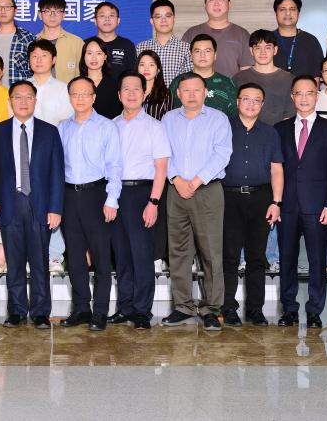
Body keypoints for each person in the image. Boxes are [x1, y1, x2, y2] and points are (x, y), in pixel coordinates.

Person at [160, 73, 233, 330]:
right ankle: (183, 306)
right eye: (186, 90)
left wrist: (197, 181)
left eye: (196, 90)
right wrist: (176, 178)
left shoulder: (218, 119)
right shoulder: (168, 119)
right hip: (176, 190)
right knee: (178, 251)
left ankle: (211, 308)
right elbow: (163, 153)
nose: (191, 95)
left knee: (211, 252)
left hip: (208, 190)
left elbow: (222, 153)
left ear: (205, 93)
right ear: (178, 93)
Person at [275, 76, 327, 329]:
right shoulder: (280, 129)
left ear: (317, 95)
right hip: (288, 206)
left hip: (318, 207)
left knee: (317, 261)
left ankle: (315, 310)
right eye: (299, 93)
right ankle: (289, 309)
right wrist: (276, 203)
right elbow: (275, 169)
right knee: (287, 259)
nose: (304, 98)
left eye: (309, 93)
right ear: (292, 97)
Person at [57, 76, 123, 331]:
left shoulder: (107, 126)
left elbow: (115, 166)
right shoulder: (62, 128)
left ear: (94, 97)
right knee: (74, 257)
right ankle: (81, 309)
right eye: (75, 94)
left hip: (97, 195)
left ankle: (100, 312)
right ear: (69, 98)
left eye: (85, 94)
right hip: (69, 196)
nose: (80, 98)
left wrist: (112, 200)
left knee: (101, 257)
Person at [0, 81, 64, 329]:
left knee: (39, 262)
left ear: (36, 101)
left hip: (40, 205)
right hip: (10, 203)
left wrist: (55, 208)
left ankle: (40, 312)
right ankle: (16, 311)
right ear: (10, 101)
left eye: (28, 97)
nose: (23, 101)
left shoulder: (49, 132)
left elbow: (57, 172)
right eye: (18, 97)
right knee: (14, 262)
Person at [221, 82, 284, 326]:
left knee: (257, 257)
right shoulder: (223, 128)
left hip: (261, 199)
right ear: (237, 101)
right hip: (229, 198)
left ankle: (255, 310)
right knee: (229, 256)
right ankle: (228, 307)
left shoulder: (270, 133)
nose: (251, 104)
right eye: (246, 99)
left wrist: (276, 202)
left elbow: (276, 170)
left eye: (256, 100)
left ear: (262, 104)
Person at [112, 74, 170, 330]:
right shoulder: (110, 125)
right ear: (119, 95)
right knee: (121, 255)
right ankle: (124, 307)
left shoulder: (155, 127)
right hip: (115, 194)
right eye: (126, 89)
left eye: (137, 89)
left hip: (143, 194)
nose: (131, 93)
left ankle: (142, 310)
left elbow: (161, 168)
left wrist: (153, 202)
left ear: (144, 94)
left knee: (142, 255)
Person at [182, 0, 252, 77]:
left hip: (231, 86)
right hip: (197, 86)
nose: (216, 4)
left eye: (221, 0)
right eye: (211, 0)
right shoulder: (191, 34)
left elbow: (246, 73)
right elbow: (183, 69)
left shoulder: (242, 34)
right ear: (205, 5)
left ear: (229, 4)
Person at [231, 30, 294, 124]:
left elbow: (290, 115)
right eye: (258, 48)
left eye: (268, 48)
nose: (263, 52)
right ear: (251, 51)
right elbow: (233, 111)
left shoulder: (289, 79)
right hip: (245, 131)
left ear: (275, 50)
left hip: (279, 131)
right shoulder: (239, 78)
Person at [169, 34, 238, 117]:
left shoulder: (226, 83)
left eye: (207, 51)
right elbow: (169, 113)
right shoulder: (179, 81)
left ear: (215, 55)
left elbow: (235, 116)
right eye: (197, 51)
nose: (202, 55)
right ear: (191, 56)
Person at [135, 0, 192, 82]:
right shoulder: (140, 48)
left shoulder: (187, 48)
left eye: (168, 16)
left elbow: (190, 80)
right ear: (152, 21)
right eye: (158, 17)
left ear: (174, 19)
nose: (163, 20)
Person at [272, 0, 325, 77]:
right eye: (282, 9)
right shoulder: (266, 39)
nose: (288, 13)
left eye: (292, 9)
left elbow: (317, 75)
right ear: (276, 14)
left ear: (298, 14)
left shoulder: (311, 40)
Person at [35, 0, 83, 83]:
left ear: (63, 15)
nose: (52, 15)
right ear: (40, 15)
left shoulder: (77, 43)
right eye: (47, 11)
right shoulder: (33, 41)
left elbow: (83, 74)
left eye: (57, 11)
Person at [28, 40, 73, 124]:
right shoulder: (21, 88)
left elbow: (66, 122)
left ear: (53, 60)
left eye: (44, 55)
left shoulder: (63, 89)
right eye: (34, 56)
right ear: (29, 60)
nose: (39, 60)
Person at [92, 1, 138, 76]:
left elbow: (132, 75)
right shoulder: (87, 44)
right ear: (95, 21)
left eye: (111, 15)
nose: (107, 19)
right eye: (102, 16)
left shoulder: (127, 45)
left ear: (118, 21)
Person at [79, 37, 121, 119]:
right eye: (89, 53)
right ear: (84, 56)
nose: (94, 58)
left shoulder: (115, 85)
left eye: (98, 53)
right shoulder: (77, 84)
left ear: (105, 57)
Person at [136, 50, 173, 120]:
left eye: (151, 65)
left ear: (158, 70)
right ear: (137, 68)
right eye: (142, 65)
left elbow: (169, 121)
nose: (146, 69)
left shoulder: (165, 94)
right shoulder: (131, 91)